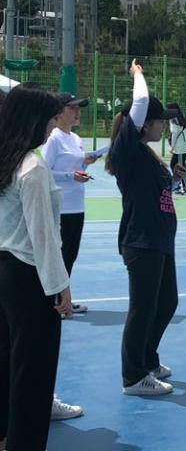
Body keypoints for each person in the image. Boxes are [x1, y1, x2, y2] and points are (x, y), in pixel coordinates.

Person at [0, 84, 75, 451]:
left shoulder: (6, 162)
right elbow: (43, 235)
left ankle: (4, 446)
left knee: (5, 360)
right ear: (32, 121)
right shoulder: (33, 167)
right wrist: (60, 286)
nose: (51, 128)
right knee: (34, 363)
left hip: (2, 270)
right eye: (48, 120)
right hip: (28, 273)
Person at [106, 59, 181, 396]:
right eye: (160, 121)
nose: (164, 126)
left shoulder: (147, 154)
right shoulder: (128, 150)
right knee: (142, 309)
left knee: (166, 303)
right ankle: (133, 376)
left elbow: (156, 193)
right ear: (144, 124)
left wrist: (173, 180)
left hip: (160, 239)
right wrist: (137, 74)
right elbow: (139, 102)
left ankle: (147, 359)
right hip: (142, 241)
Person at [41, 93, 98, 421]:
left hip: (77, 206)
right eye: (72, 108)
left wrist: (85, 163)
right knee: (60, 256)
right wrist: (69, 177)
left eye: (79, 109)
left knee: (70, 257)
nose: (77, 113)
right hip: (61, 206)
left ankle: (65, 298)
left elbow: (74, 166)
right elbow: (45, 172)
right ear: (59, 112)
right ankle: (57, 300)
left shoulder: (75, 138)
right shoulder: (52, 139)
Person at [167, 102, 186, 194]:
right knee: (175, 165)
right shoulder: (181, 118)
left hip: (180, 148)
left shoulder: (173, 120)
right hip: (184, 146)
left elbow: (174, 134)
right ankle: (178, 185)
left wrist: (172, 147)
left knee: (179, 167)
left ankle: (185, 187)